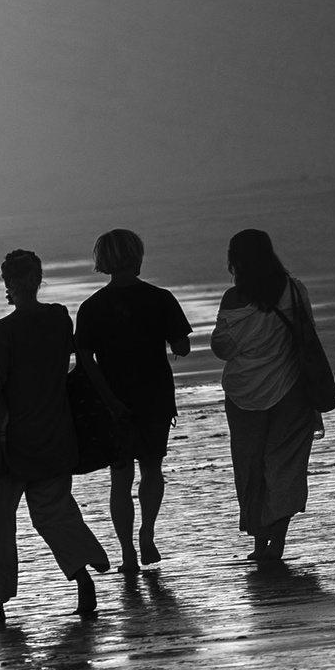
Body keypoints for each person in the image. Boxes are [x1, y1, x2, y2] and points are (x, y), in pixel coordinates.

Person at [0, 251, 111, 624]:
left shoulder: (4, 332)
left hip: (12, 442)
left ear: (8, 285)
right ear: (38, 278)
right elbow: (69, 359)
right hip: (54, 434)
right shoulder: (58, 317)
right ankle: (83, 578)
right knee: (54, 514)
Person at [75, 229, 193, 573]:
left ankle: (127, 553)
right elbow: (182, 347)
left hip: (114, 402)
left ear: (103, 262)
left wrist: (108, 399)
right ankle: (147, 534)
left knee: (121, 477)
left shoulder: (91, 307)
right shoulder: (161, 298)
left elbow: (84, 359)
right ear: (138, 257)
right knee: (153, 469)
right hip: (155, 395)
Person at [210, 229, 324, 564]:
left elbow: (222, 348)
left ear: (236, 261)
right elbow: (308, 335)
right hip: (292, 391)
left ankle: (261, 545)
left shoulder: (233, 299)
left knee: (251, 468)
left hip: (244, 395)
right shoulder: (293, 289)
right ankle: (276, 543)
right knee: (284, 466)